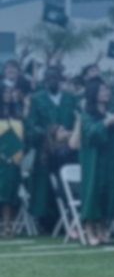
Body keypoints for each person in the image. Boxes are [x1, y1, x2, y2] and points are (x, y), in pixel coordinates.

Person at [25, 66, 78, 227]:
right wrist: (50, 133)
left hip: (68, 148)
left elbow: (78, 120)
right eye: (48, 78)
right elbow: (31, 125)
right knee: (44, 185)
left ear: (60, 79)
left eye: (55, 77)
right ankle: (45, 220)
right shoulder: (37, 98)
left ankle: (68, 219)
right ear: (44, 81)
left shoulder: (70, 98)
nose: (52, 81)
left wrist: (69, 134)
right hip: (45, 149)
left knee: (66, 181)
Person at [79, 80, 114, 245]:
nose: (106, 93)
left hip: (111, 157)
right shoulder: (86, 114)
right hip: (94, 159)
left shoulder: (111, 111)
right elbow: (90, 133)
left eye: (106, 90)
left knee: (108, 191)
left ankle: (102, 230)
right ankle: (90, 231)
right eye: (102, 90)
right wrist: (106, 123)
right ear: (93, 94)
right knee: (93, 192)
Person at [0, 84, 25, 236]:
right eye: (5, 92)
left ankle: (7, 224)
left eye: (10, 92)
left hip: (14, 160)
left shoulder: (16, 114)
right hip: (0, 159)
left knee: (9, 193)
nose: (8, 95)